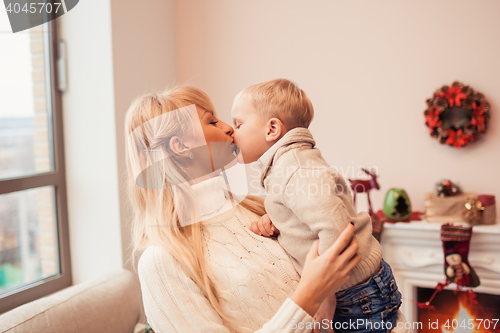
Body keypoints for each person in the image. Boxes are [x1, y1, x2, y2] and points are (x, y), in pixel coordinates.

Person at [126, 86, 362, 333]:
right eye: (212, 121)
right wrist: (311, 294)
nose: (228, 127)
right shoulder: (163, 261)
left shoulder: (263, 210)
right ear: (181, 146)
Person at [231, 79, 402, 333]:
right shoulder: (290, 164)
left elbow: (335, 229)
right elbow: (310, 210)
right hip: (358, 291)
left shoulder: (294, 168)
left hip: (354, 295)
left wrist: (324, 295)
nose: (232, 132)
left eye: (238, 124)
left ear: (272, 129)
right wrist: (278, 218)